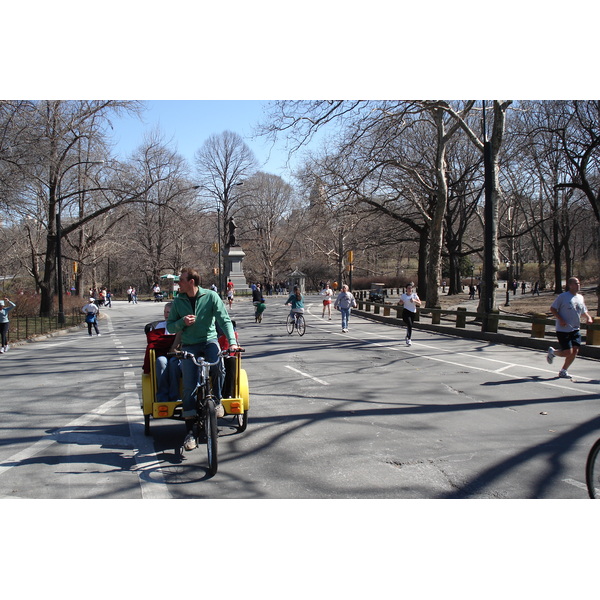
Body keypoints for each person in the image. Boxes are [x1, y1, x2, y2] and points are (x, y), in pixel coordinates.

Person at [167, 267, 239, 451]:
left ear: (191, 282)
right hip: (190, 344)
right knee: (189, 386)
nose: (178, 284)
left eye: (181, 280)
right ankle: (190, 432)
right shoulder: (178, 301)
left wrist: (232, 342)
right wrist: (182, 322)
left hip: (209, 341)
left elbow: (224, 320)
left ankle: (217, 401)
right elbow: (170, 327)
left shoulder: (210, 297)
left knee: (218, 364)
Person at [546, 277, 593, 378]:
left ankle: (564, 370)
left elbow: (584, 311)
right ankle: (553, 352)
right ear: (570, 285)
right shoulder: (563, 297)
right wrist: (561, 319)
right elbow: (553, 309)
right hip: (563, 329)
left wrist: (588, 318)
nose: (578, 285)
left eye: (579, 283)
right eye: (576, 283)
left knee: (575, 350)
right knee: (568, 352)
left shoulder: (580, 297)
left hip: (575, 329)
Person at [143, 302, 182, 403]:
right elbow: (154, 341)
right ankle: (163, 396)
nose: (166, 314)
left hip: (177, 355)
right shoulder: (159, 326)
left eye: (168, 312)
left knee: (174, 363)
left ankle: (175, 396)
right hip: (162, 354)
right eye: (165, 312)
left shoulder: (180, 325)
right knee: (160, 361)